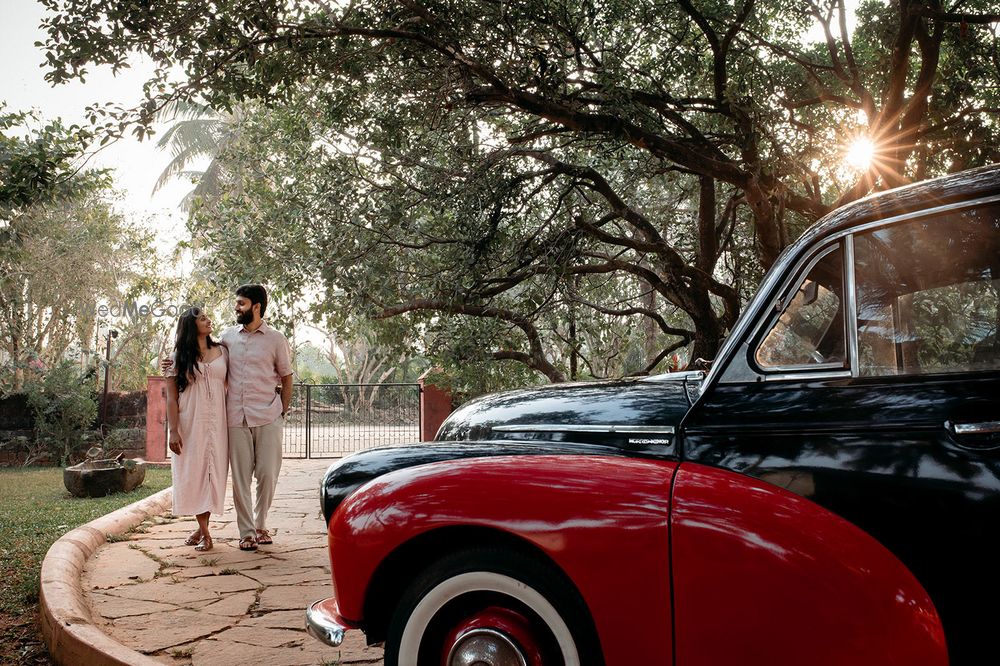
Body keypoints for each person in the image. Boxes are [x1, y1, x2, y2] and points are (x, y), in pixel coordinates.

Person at [166, 285, 294, 551]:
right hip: (234, 417)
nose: (236, 308)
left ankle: (261, 523)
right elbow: (195, 356)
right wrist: (170, 363)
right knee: (240, 478)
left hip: (267, 414)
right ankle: (247, 532)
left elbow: (287, 376)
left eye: (241, 303)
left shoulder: (276, 339)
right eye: (236, 303)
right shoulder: (227, 339)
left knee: (268, 474)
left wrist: (282, 408)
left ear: (256, 306)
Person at [164, 308, 229, 552]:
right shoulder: (177, 357)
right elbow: (171, 398)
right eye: (202, 318)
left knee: (213, 475)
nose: (209, 320)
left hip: (218, 424)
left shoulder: (223, 351)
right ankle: (205, 534)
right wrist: (174, 431)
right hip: (191, 423)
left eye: (207, 316)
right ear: (192, 325)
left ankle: (201, 527)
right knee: (195, 474)